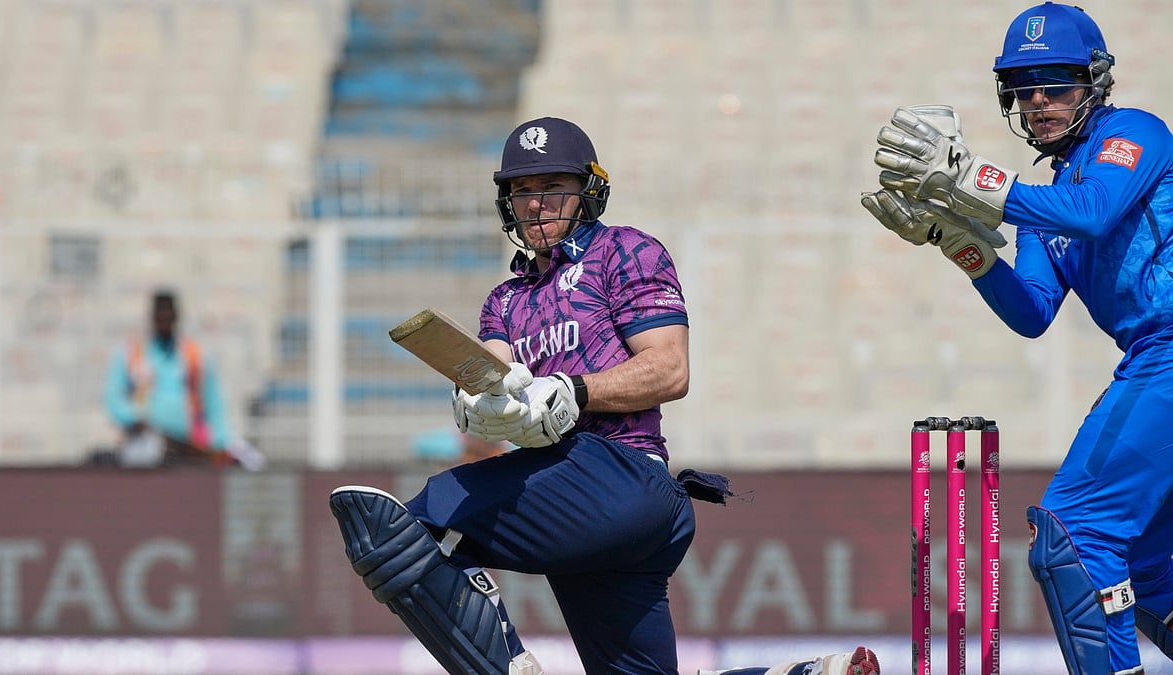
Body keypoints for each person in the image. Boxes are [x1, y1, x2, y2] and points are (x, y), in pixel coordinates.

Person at [329, 117, 878, 675]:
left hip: (624, 478)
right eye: (521, 191)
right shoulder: (504, 300)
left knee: (405, 524)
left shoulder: (625, 252)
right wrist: (481, 405)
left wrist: (575, 389)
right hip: (577, 511)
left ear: (588, 190)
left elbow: (670, 370)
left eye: (551, 187)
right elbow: (492, 374)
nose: (535, 204)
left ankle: (506, 665)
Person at [864, 3, 1173, 673]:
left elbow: (1095, 214)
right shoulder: (1040, 202)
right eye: (1024, 86)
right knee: (1150, 566)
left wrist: (973, 178)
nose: (1038, 100)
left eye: (1057, 83)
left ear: (1094, 82)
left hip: (1169, 354)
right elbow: (1031, 311)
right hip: (1152, 363)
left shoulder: (1135, 134)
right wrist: (959, 243)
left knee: (1076, 529)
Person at [103, 289, 238, 467]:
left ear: (176, 316)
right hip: (146, 445)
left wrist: (219, 443)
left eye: (169, 314)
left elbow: (213, 402)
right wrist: (134, 418)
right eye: (160, 314)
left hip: (190, 446)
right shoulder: (133, 353)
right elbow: (113, 398)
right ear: (152, 317)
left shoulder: (195, 355)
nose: (164, 319)